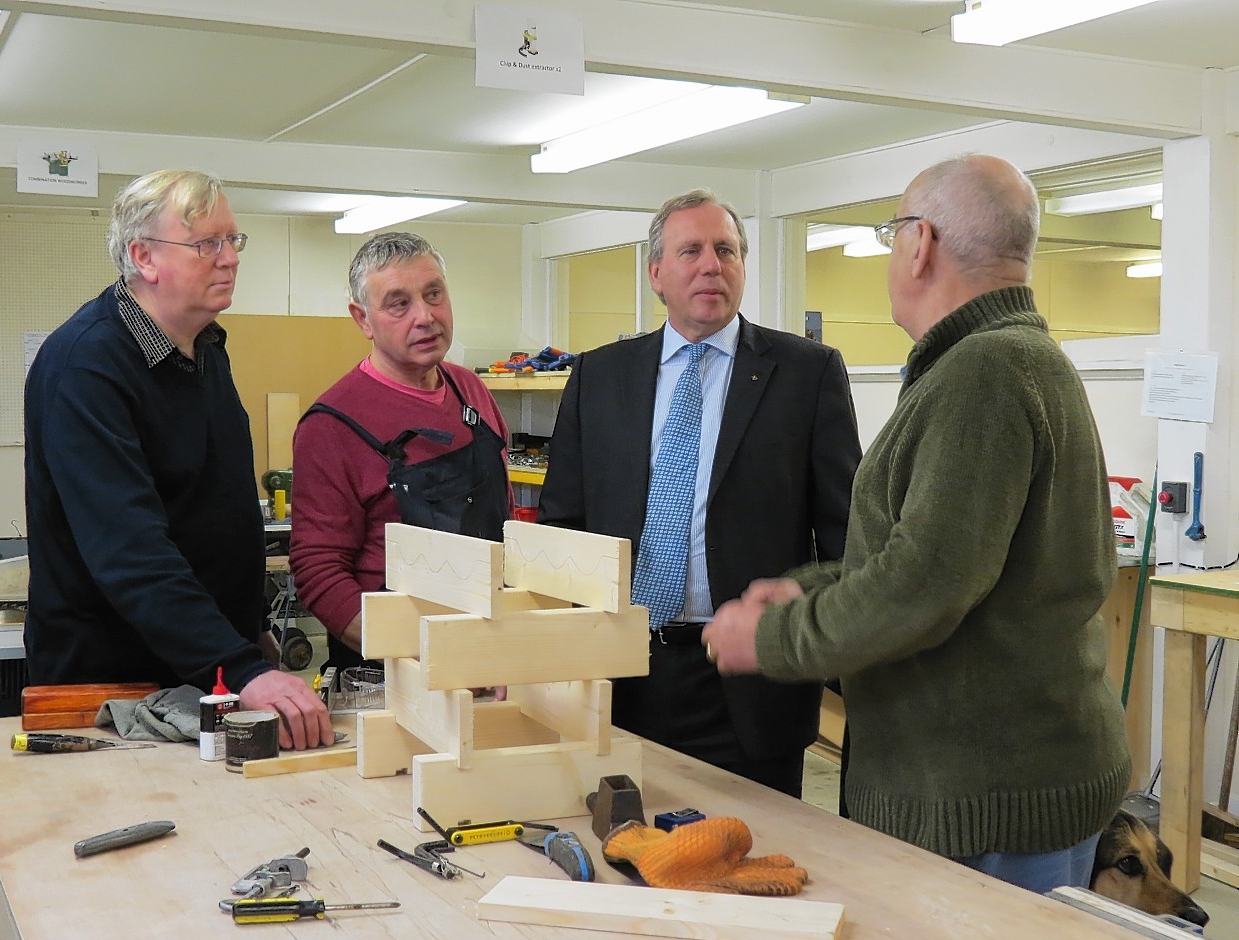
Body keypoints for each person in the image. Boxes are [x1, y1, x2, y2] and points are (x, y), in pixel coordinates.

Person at [704, 154, 1131, 892]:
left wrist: (771, 638)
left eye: (891, 230)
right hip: (1009, 786)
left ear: (920, 242)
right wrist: (809, 589)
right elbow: (921, 549)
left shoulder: (984, 374)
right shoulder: (1013, 361)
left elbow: (922, 585)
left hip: (983, 805)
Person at [538, 189, 861, 798]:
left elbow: (845, 533)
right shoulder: (599, 376)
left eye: (726, 250)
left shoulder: (806, 373)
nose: (712, 264)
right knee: (625, 856)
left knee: (760, 865)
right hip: (624, 672)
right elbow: (563, 525)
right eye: (691, 251)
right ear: (657, 274)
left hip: (751, 676)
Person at [24, 169, 333, 750]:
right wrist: (240, 666)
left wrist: (246, 637)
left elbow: (218, 508)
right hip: (113, 685)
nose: (229, 258)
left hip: (201, 666)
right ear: (144, 257)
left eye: (233, 241)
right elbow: (130, 552)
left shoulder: (207, 348)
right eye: (206, 244)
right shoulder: (87, 367)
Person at [289, 233, 513, 671]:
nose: (425, 317)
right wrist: (420, 654)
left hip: (490, 650)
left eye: (434, 294)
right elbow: (318, 573)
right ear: (363, 319)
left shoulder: (469, 390)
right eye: (399, 303)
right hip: (390, 671)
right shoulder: (331, 425)